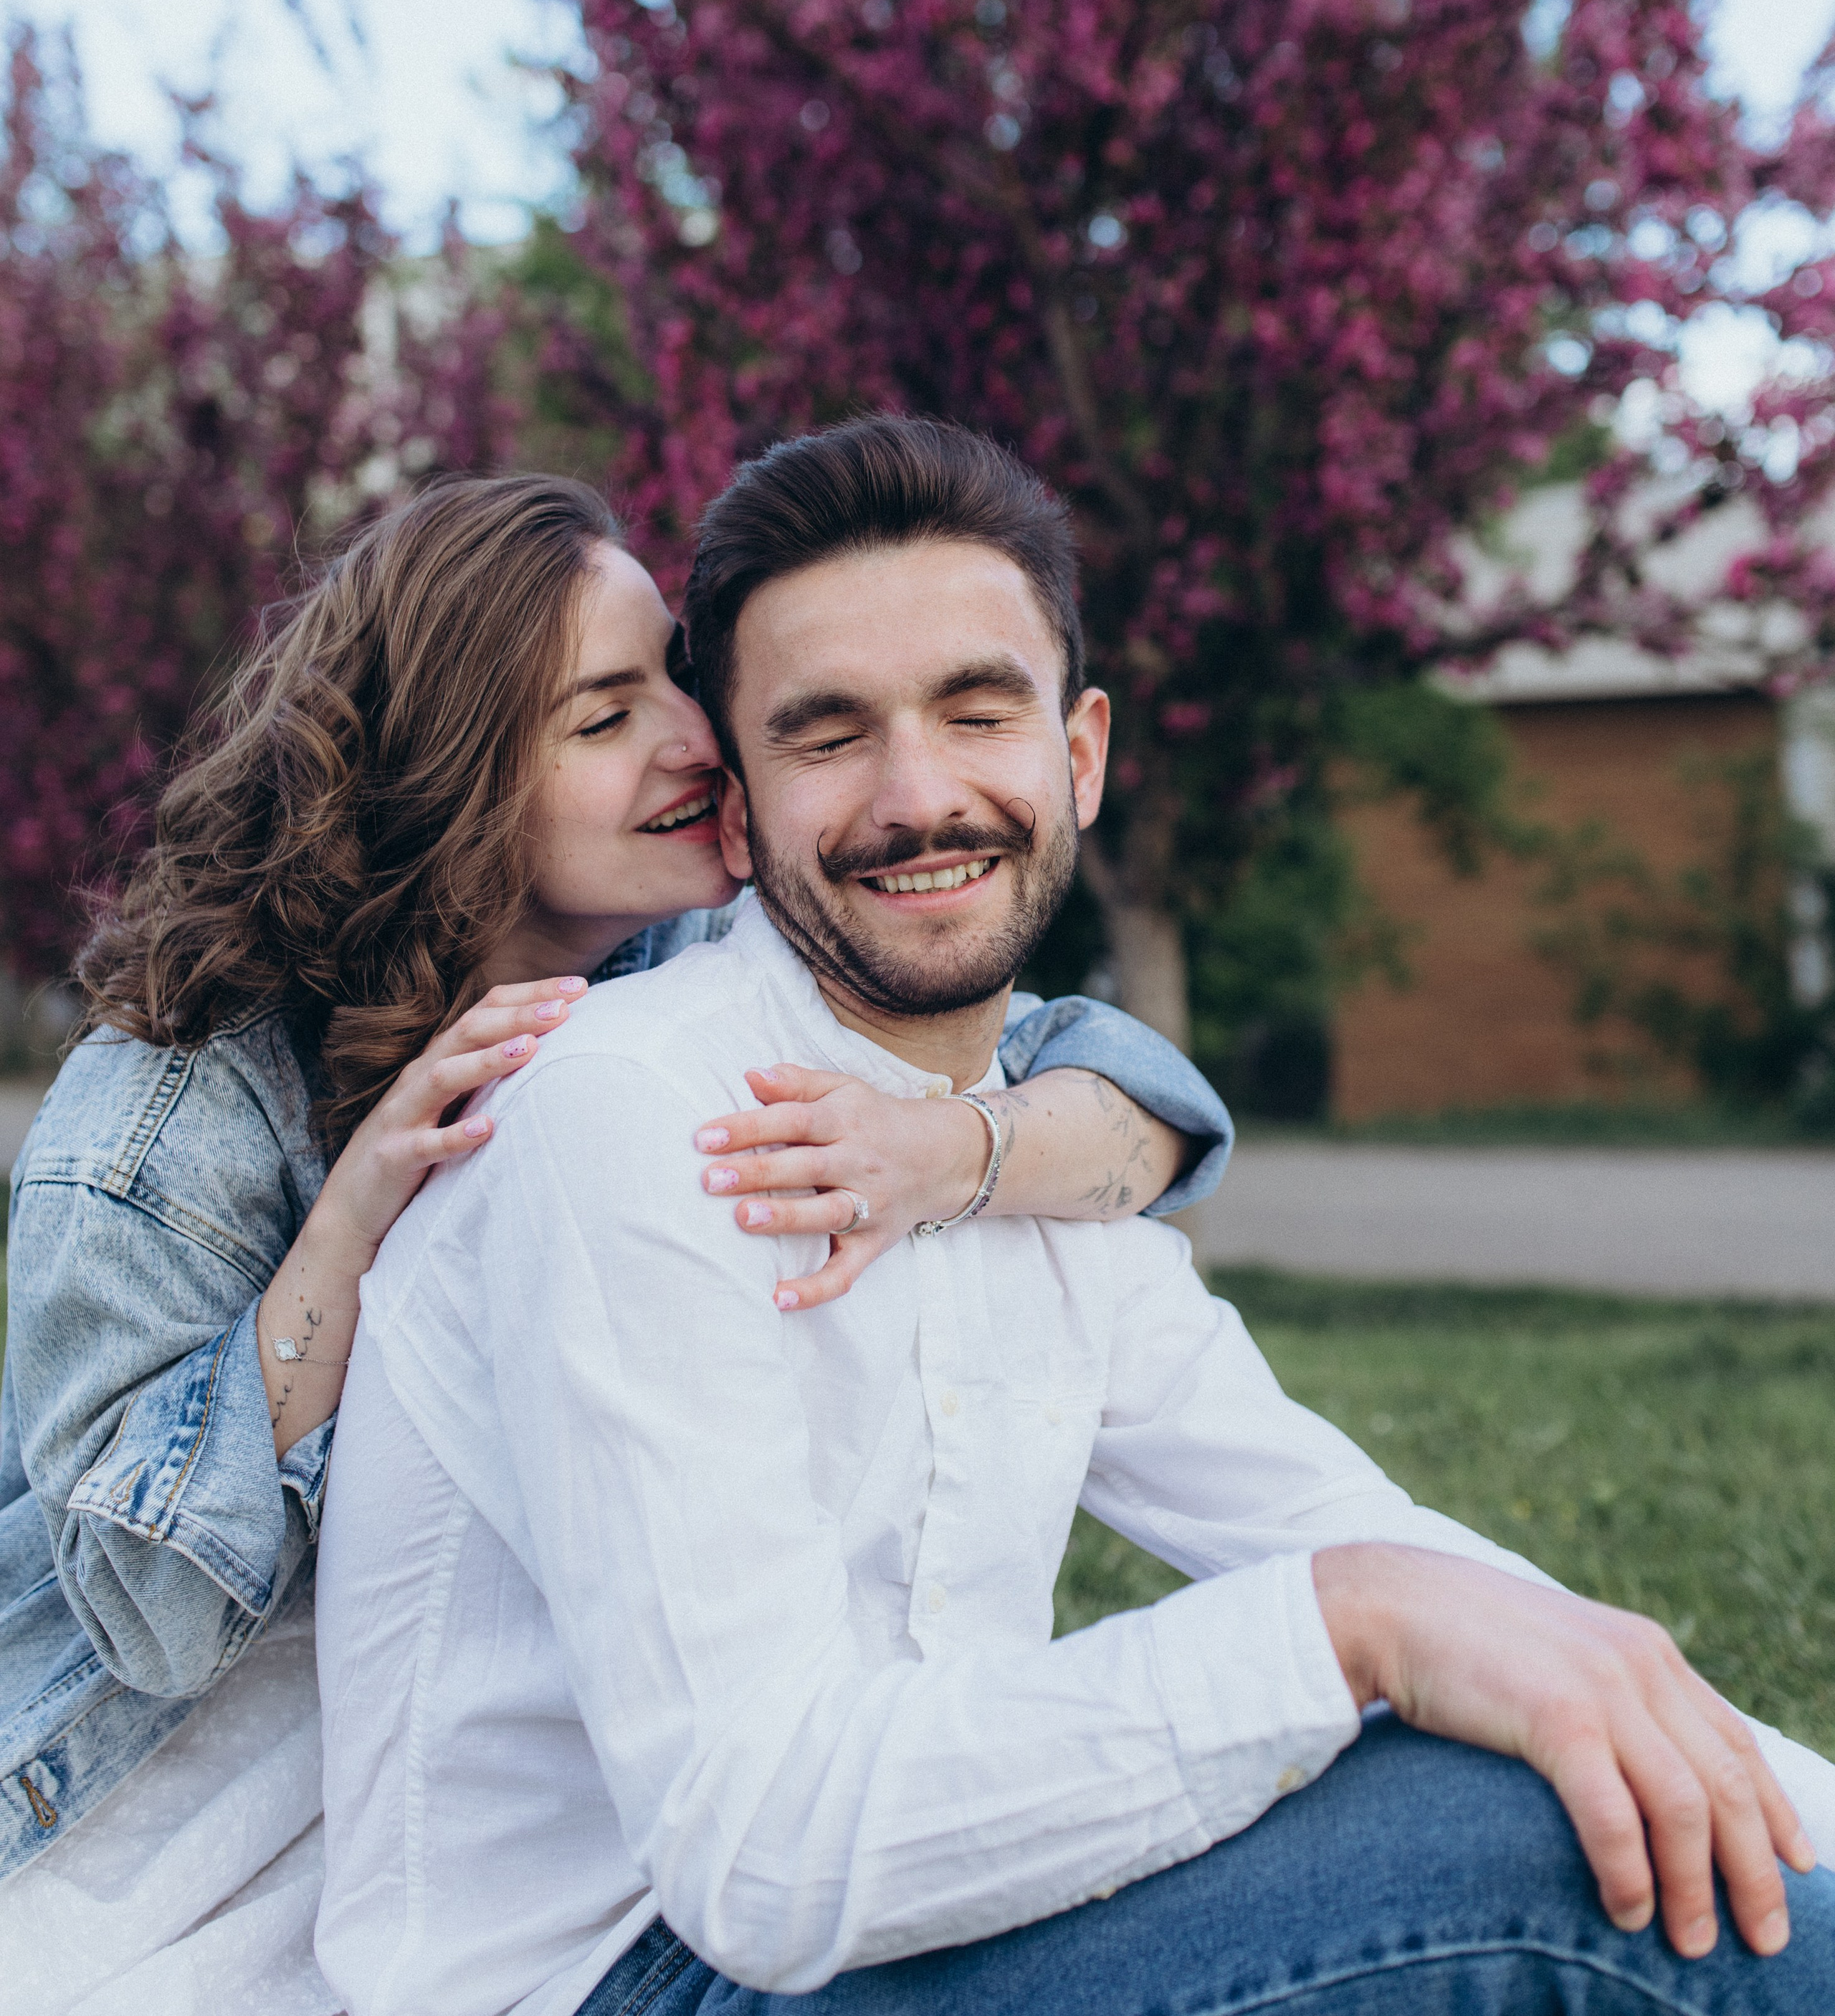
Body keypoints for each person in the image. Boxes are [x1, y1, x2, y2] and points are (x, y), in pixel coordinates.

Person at [317, 416, 1835, 2016]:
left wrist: (1574, 1675)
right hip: (607, 1977)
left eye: (977, 710)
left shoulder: (1023, 1159)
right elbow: (757, 1854)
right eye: (827, 736)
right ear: (739, 812)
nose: (917, 797)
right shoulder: (628, 1112)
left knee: (1581, 1776)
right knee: (1534, 1866)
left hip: (900, 1920)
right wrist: (1353, 1630)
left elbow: (1367, 1534)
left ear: (1081, 755)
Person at [0, 471, 1229, 2014]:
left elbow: (1132, 1091)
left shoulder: (686, 965)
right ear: (450, 780)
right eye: (602, 718)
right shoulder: (171, 1098)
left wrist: (942, 1151)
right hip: (149, 1828)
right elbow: (149, 1618)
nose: (693, 738)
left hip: (478, 1812)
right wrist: (353, 1224)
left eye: (674, 674)